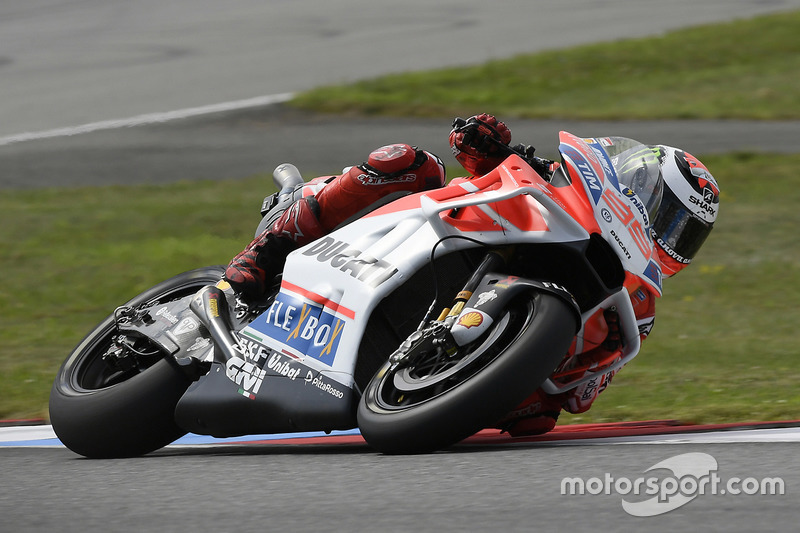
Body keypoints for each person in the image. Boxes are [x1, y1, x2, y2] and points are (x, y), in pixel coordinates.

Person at [223, 113, 720, 436]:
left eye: (685, 233)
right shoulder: (558, 179)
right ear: (636, 179)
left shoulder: (638, 307)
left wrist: (540, 382)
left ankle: (427, 367)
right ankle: (270, 245)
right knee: (406, 162)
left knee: (536, 421)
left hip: (449, 379)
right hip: (427, 233)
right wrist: (486, 143)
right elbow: (486, 161)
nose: (670, 234)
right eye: (667, 212)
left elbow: (582, 393)